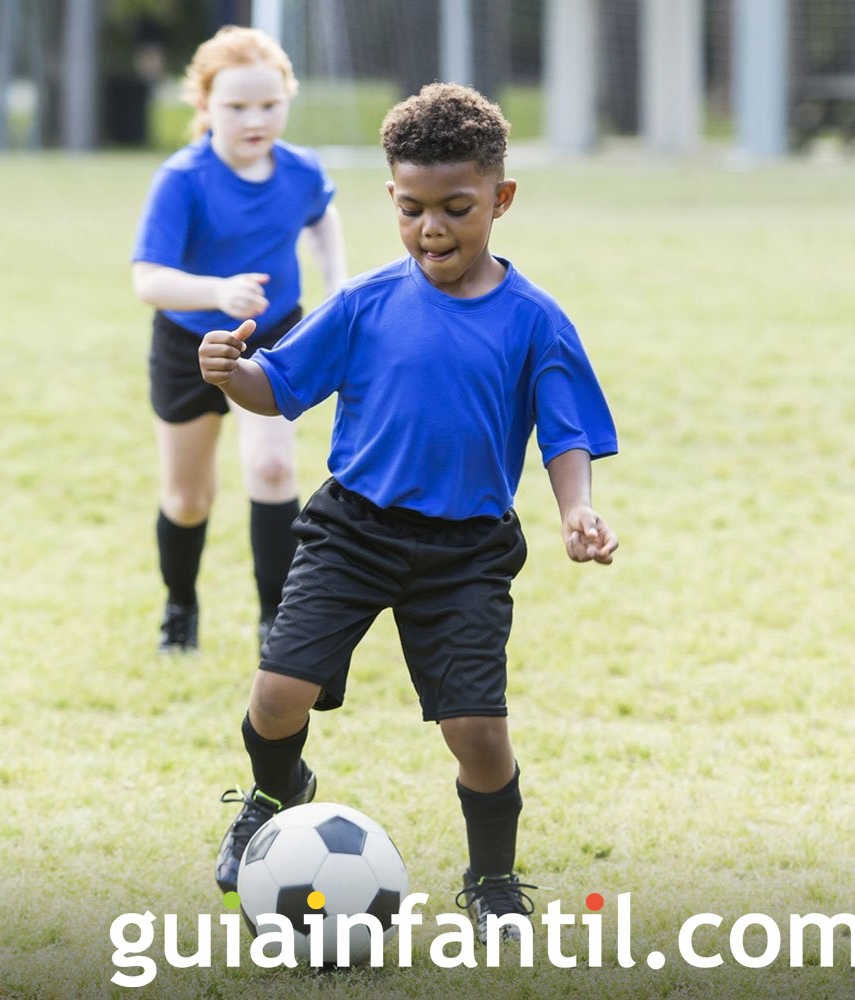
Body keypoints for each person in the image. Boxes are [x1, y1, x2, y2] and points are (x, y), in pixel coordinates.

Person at [199, 82, 618, 943]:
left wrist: (578, 510)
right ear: (391, 199)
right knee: (279, 696)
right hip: (351, 528)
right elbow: (276, 389)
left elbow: (565, 432)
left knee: (478, 735)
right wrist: (226, 370)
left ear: (500, 199)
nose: (433, 230)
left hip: (465, 551)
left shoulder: (536, 321)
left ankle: (493, 877)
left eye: (457, 209)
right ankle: (275, 795)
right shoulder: (363, 302)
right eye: (412, 209)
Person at [132, 26, 347, 654]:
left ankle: (276, 624)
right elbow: (148, 279)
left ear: (287, 100)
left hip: (275, 333)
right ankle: (180, 609)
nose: (255, 120)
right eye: (236, 107)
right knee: (189, 497)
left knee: (274, 466)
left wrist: (337, 277)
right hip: (189, 341)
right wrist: (216, 293)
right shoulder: (183, 179)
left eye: (269, 105)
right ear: (203, 107)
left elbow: (321, 212)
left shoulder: (302, 169)